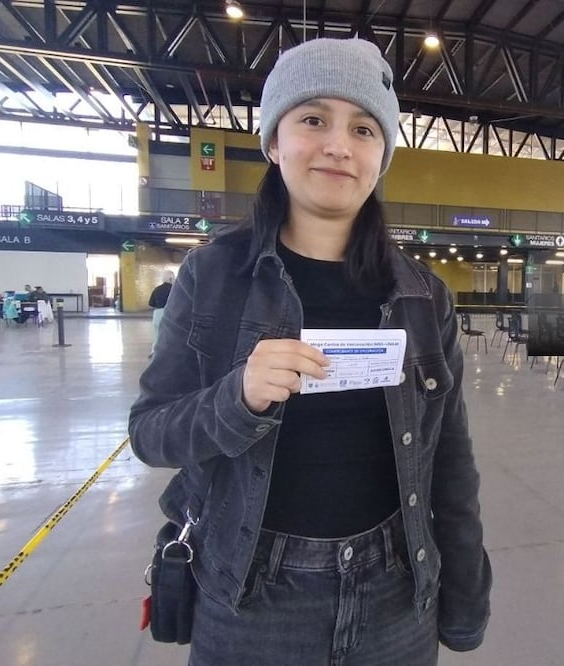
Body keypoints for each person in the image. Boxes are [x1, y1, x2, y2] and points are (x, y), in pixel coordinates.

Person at [128, 38, 491, 665]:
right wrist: (235, 398)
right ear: (274, 141)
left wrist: (465, 599)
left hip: (396, 592)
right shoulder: (213, 276)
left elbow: (451, 468)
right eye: (313, 119)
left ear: (382, 157)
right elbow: (151, 434)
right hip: (253, 595)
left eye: (364, 128)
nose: (338, 145)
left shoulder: (423, 297)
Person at [147, 270, 174, 358]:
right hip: (170, 313)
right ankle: (169, 352)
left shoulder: (157, 289)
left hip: (158, 313)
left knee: (157, 334)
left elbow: (151, 303)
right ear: (171, 278)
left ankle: (154, 351)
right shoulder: (175, 289)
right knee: (171, 334)